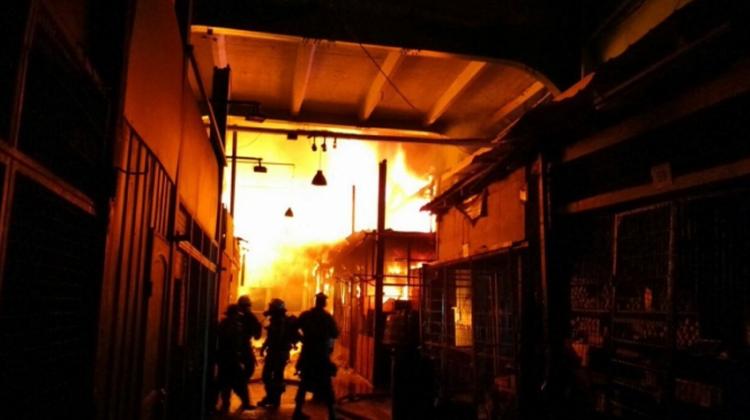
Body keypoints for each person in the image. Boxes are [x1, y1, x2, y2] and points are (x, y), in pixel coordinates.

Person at [293, 293, 340, 420]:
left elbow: (293, 328)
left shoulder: (306, 316)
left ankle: (297, 412)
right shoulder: (326, 317)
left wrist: (302, 339)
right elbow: (335, 334)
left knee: (304, 384)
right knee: (326, 384)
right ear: (323, 303)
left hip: (307, 354)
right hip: (321, 355)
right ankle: (332, 414)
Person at [258, 298, 300, 408]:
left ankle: (272, 398)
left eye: (272, 307)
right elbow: (271, 337)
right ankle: (273, 398)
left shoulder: (280, 321)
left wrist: (266, 347)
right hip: (278, 352)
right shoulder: (277, 320)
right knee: (275, 376)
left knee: (270, 376)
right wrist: (264, 347)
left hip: (278, 353)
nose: (270, 310)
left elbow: (276, 337)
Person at [216, 304, 246, 413]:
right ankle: (244, 402)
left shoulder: (223, 324)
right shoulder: (234, 326)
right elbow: (237, 343)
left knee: (225, 382)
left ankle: (225, 404)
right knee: (235, 381)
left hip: (225, 357)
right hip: (230, 357)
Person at [237, 295, 262, 409]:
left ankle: (242, 400)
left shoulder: (235, 317)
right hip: (242, 348)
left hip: (234, 349)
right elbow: (257, 336)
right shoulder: (250, 317)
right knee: (246, 371)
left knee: (229, 376)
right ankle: (244, 399)